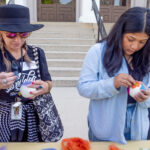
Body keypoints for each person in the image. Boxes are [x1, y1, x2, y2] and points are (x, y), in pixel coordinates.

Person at [77, 7, 150, 144]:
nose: (134, 46)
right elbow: (83, 87)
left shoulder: (147, 56)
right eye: (130, 39)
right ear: (120, 31)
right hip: (106, 127)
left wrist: (146, 97)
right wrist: (112, 83)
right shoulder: (98, 52)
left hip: (138, 126)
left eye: (142, 42)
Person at [0, 4, 63, 142]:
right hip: (2, 117)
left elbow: (48, 82)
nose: (18, 40)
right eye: (10, 34)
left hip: (32, 116)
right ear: (1, 33)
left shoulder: (36, 53)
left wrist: (45, 87)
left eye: (23, 34)